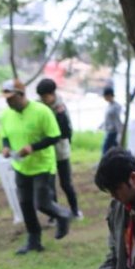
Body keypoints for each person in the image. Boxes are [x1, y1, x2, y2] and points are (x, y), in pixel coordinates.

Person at [0, 78, 72, 254]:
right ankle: (34, 240)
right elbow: (5, 135)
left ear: (21, 94)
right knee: (25, 204)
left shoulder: (42, 111)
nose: (8, 102)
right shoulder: (7, 115)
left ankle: (63, 215)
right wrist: (6, 147)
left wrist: (32, 147)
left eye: (11, 98)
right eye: (6, 99)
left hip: (43, 166)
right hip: (21, 166)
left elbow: (54, 136)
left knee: (42, 203)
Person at [36, 78, 81, 219]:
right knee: (49, 186)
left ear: (52, 94)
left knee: (66, 184)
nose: (43, 99)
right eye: (41, 97)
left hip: (61, 152)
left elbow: (66, 132)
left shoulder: (60, 108)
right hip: (46, 154)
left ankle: (75, 211)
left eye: (45, 97)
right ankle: (54, 214)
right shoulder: (39, 106)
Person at [101, 86, 122, 155]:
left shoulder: (116, 107)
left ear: (109, 95)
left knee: (106, 149)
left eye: (105, 96)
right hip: (109, 131)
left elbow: (117, 120)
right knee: (110, 150)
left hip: (113, 132)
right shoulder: (109, 106)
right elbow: (107, 119)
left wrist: (119, 133)